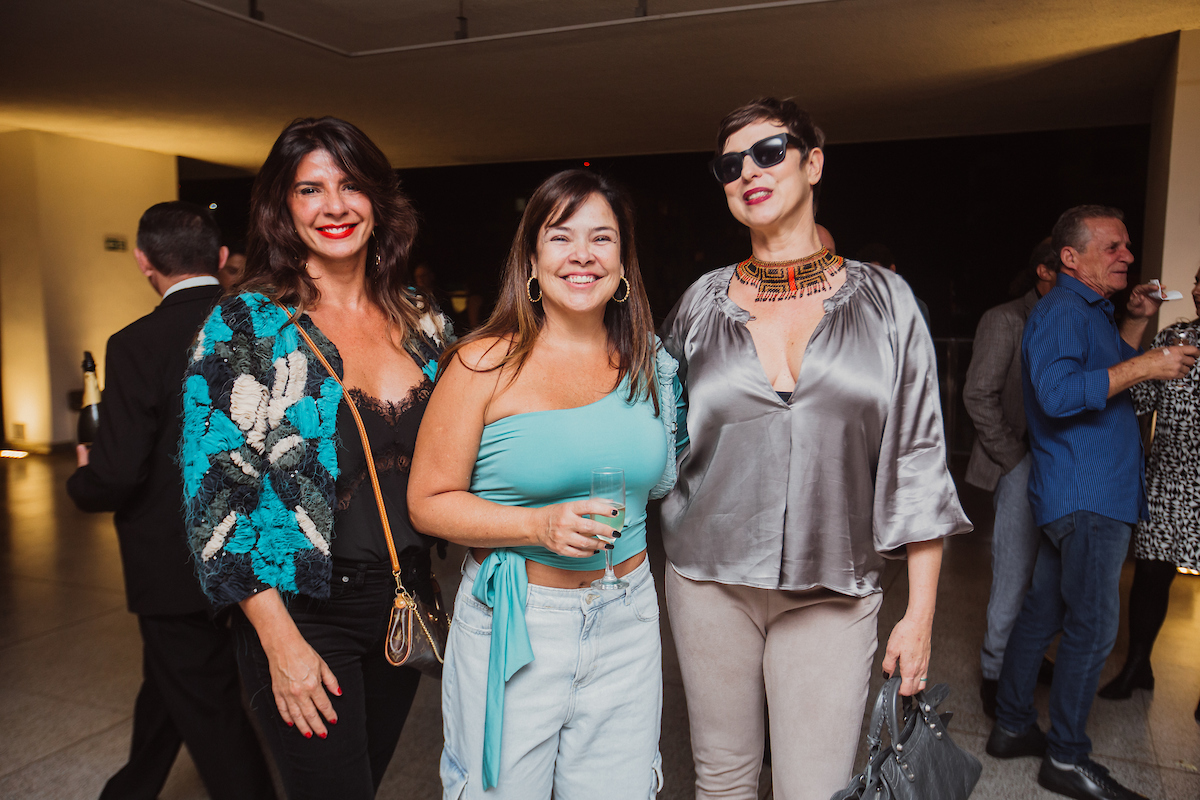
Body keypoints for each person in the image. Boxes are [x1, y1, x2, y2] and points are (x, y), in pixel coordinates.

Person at [660, 97, 971, 800]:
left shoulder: (887, 301)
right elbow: (654, 433)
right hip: (706, 583)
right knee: (723, 781)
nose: (748, 173)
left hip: (833, 588)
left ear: (813, 162)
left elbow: (918, 460)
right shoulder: (701, 305)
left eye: (769, 152)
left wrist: (919, 617)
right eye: (730, 164)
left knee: (813, 791)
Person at [180, 117, 452, 800]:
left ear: (379, 201)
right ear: (283, 208)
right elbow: (215, 505)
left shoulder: (419, 319)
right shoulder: (246, 325)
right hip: (304, 611)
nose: (334, 205)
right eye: (310, 189)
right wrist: (279, 644)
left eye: (351, 185)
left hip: (401, 602)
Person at [408, 169, 680, 799]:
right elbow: (427, 502)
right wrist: (536, 525)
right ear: (531, 260)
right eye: (560, 237)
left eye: (601, 238)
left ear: (622, 263)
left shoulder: (648, 363)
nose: (582, 254)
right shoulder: (483, 362)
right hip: (518, 619)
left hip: (626, 613)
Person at [986, 205, 1197, 800]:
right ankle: (1067, 759)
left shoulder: (1091, 313)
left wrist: (1136, 326)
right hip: (1088, 492)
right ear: (1069, 259)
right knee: (1094, 626)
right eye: (1113, 247)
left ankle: (1010, 726)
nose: (1128, 256)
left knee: (1045, 611)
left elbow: (1104, 376)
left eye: (1127, 246)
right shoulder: (1061, 310)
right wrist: (1151, 361)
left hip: (1078, 490)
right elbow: (1055, 394)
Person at [66, 201, 275, 800]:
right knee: (173, 683)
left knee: (207, 708)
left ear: (143, 263)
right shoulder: (263, 329)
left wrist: (85, 479)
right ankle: (130, 788)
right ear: (221, 259)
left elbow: (119, 469)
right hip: (257, 548)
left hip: (173, 561)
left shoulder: (134, 342)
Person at [1098, 260, 1200, 723]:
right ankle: (1139, 665)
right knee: (1151, 577)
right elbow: (1138, 402)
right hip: (1167, 477)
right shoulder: (1175, 338)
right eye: (1199, 280)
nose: (1198, 289)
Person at [964, 238, 1058, 718]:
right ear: (1045, 271)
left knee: (1046, 576)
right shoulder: (1005, 319)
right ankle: (994, 672)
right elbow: (978, 396)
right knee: (1012, 576)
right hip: (1020, 465)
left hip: (1062, 469)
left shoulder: (1075, 318)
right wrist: (1016, 460)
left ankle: (1031, 655)